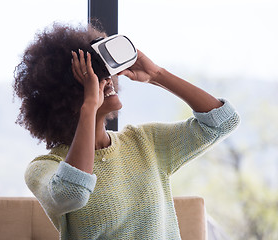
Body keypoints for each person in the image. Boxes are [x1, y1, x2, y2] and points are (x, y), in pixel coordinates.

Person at [13, 23, 240, 239]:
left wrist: (157, 75)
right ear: (63, 97)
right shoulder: (43, 167)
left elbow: (223, 121)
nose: (107, 80)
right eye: (90, 77)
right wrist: (89, 106)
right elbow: (72, 192)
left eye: (103, 72)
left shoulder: (144, 142)